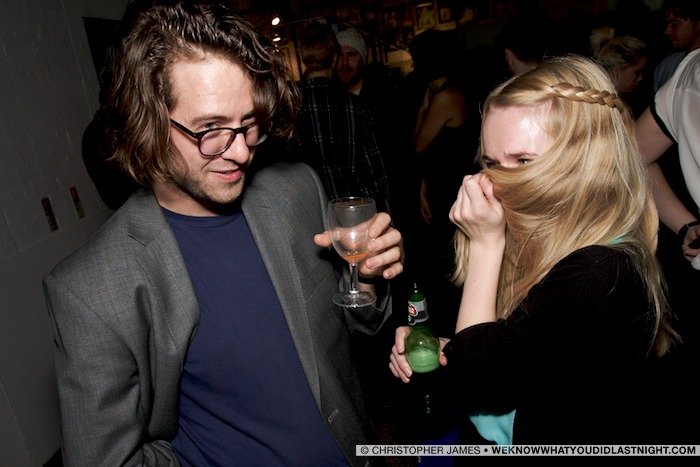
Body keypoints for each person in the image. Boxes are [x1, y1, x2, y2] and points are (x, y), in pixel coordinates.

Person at [43, 2, 404, 465]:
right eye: (210, 129)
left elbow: (357, 325)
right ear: (147, 120)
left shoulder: (296, 191)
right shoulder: (90, 289)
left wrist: (366, 280)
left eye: (248, 123)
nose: (240, 152)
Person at [390, 55, 678, 445]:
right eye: (492, 163)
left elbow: (479, 380)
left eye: (524, 160)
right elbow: (523, 350)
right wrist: (444, 350)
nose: (499, 182)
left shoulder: (599, 270)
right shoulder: (546, 235)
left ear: (585, 159)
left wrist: (485, 246)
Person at [410, 28, 479, 337]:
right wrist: (424, 188)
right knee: (446, 263)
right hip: (442, 187)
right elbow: (436, 151)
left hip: (451, 190)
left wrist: (424, 107)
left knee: (448, 265)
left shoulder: (445, 96)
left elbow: (418, 145)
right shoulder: (445, 91)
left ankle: (454, 333)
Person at [288, 22, 390, 213]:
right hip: (354, 210)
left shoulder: (289, 105)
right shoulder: (354, 106)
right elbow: (377, 175)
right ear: (334, 59)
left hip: (311, 212)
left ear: (303, 59)